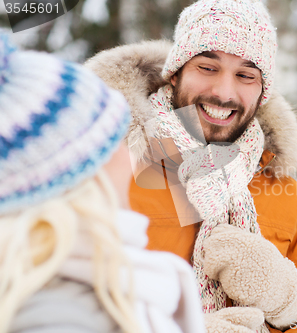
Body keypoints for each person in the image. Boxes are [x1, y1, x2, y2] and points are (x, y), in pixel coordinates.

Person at [85, 0, 297, 332]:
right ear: (175, 73)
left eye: (245, 75)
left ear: (262, 92)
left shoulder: (281, 189)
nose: (224, 92)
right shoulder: (111, 170)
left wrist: (290, 305)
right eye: (207, 67)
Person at [0, 33, 205, 333]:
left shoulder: (64, 286)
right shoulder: (62, 316)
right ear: (78, 173)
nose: (130, 159)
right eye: (115, 142)